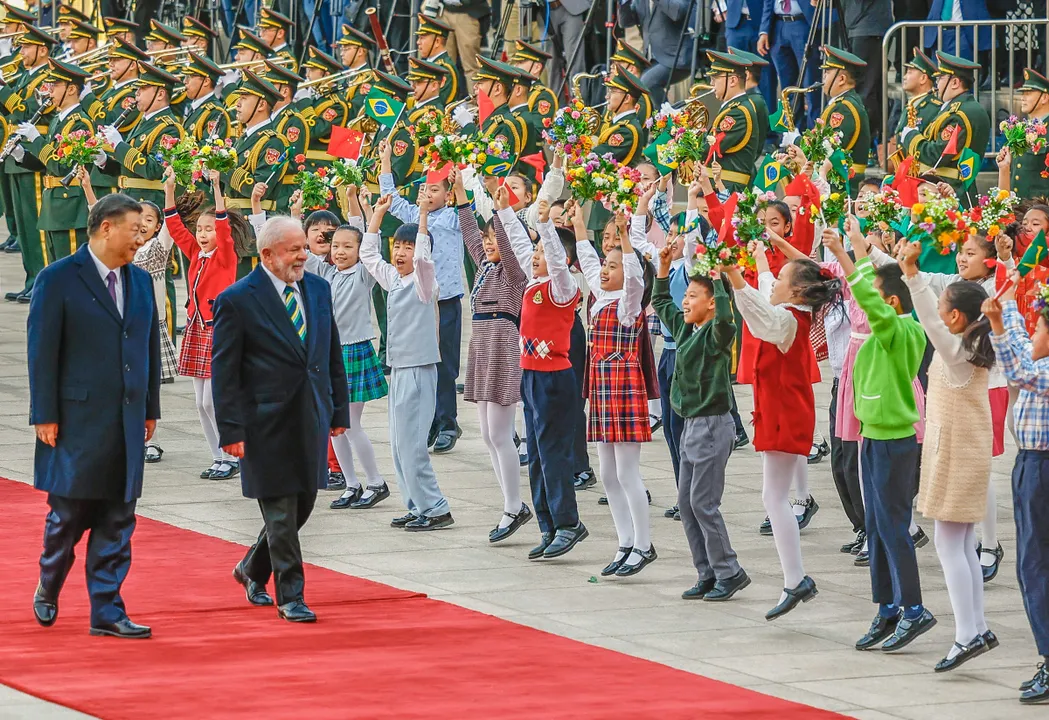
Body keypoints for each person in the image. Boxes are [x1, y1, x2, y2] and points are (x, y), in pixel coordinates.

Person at [27, 192, 160, 639]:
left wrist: (150, 407)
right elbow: (42, 351)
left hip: (127, 419)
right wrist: (44, 413)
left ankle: (107, 610)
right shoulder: (59, 278)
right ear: (106, 227)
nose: (139, 239)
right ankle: (50, 581)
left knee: (119, 518)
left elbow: (148, 347)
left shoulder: (140, 281)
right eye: (134, 230)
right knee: (68, 515)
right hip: (75, 420)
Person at [211, 216, 349, 622]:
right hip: (262, 424)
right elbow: (225, 373)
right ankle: (291, 595)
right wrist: (231, 429)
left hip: (310, 416)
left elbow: (331, 353)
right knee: (280, 512)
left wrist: (337, 410)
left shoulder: (319, 289)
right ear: (267, 254)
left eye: (304, 247)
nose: (304, 256)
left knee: (303, 504)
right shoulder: (237, 299)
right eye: (294, 250)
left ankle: (252, 568)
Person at [822, 227, 937, 653]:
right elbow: (869, 298)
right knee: (876, 528)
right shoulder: (881, 330)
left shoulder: (901, 331)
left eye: (872, 292)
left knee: (893, 528)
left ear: (890, 302)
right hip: (873, 438)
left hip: (894, 442)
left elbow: (868, 297)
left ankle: (913, 609)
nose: (862, 298)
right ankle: (887, 607)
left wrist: (844, 250)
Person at [725, 240, 840, 619]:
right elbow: (764, 300)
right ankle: (794, 578)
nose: (773, 280)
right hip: (783, 410)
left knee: (773, 498)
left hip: (785, 413)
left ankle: (796, 578)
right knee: (772, 497)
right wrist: (757, 262)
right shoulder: (789, 311)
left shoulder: (789, 319)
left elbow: (761, 312)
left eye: (780, 277)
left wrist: (735, 277)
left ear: (796, 291)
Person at [900, 242, 996, 672]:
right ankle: (976, 625)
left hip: (958, 453)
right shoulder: (969, 344)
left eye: (943, 305)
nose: (937, 311)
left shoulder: (957, 351)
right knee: (959, 544)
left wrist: (912, 276)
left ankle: (967, 634)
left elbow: (927, 320)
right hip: (961, 450)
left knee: (948, 544)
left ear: (956, 317)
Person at [654, 238, 750, 601]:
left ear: (710, 303)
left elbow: (727, 320)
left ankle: (730, 571)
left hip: (712, 425)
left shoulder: (716, 333)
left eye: (693, 296)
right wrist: (663, 269)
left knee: (703, 503)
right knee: (686, 502)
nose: (685, 301)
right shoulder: (684, 329)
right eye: (687, 295)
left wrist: (722, 280)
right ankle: (707, 571)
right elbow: (661, 302)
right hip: (691, 425)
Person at [359, 194, 454, 531]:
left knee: (413, 445)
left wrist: (424, 218)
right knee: (399, 447)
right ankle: (416, 505)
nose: (400, 253)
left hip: (418, 370)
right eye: (397, 246)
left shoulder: (425, 283)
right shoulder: (394, 280)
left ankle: (436, 507)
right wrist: (378, 214)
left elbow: (425, 262)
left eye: (407, 247)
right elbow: (368, 254)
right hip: (399, 369)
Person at [576, 204, 657, 576]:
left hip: (624, 387)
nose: (605, 270)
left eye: (613, 266)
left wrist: (625, 236)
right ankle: (624, 540)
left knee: (627, 473)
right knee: (607, 473)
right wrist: (578, 226)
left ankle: (643, 543)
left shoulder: (628, 304)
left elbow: (635, 276)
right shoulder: (601, 298)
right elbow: (587, 261)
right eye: (605, 265)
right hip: (602, 390)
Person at [458, 175, 533, 542]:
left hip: (503, 342)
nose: (488, 245)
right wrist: (461, 197)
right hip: (482, 345)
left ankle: (514, 504)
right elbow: (472, 237)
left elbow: (505, 243)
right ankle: (510, 503)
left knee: (501, 434)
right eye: (487, 240)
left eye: (494, 239)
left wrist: (501, 214)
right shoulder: (485, 267)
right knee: (487, 434)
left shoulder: (514, 274)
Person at [378, 138, 465, 455]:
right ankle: (430, 421)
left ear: (448, 194)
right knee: (425, 362)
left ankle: (448, 422)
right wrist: (386, 162)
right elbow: (393, 199)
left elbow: (467, 204)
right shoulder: (415, 215)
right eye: (425, 189)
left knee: (445, 365)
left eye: (435, 190)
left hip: (446, 301)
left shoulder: (454, 219)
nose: (428, 195)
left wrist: (461, 184)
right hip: (421, 302)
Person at [985, 279, 1049, 704]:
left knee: (1035, 565)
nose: (1034, 332)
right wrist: (1005, 310)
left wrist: (996, 323)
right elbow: (1024, 349)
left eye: (1041, 326)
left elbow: (1020, 368)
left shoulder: (1042, 369)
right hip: (1032, 465)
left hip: (1040, 468)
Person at [305, 201, 391, 512]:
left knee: (351, 424)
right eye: (336, 245)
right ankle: (352, 483)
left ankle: (376, 482)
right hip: (329, 353)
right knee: (334, 424)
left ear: (358, 250)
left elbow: (370, 247)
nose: (340, 251)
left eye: (347, 246)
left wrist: (371, 213)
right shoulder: (324, 271)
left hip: (354, 350)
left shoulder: (364, 274)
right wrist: (297, 214)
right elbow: (306, 247)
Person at [521, 199, 589, 560]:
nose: (535, 255)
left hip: (554, 379)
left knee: (553, 455)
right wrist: (502, 213)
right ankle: (546, 523)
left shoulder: (562, 290)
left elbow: (557, 263)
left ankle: (568, 523)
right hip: (530, 377)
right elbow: (520, 247)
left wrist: (547, 226)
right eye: (535, 250)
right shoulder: (531, 285)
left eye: (542, 252)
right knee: (535, 454)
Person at [0, 25, 56, 304]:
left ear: (42, 50)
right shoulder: (24, 76)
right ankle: (31, 278)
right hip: (15, 152)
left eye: (26, 47)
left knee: (36, 224)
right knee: (23, 226)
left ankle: (43, 281)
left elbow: (27, 112)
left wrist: (3, 90)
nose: (21, 52)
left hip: (33, 152)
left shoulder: (47, 79)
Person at [901, 51, 991, 202]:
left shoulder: (960, 113)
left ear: (955, 82)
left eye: (941, 78)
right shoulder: (957, 108)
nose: (937, 83)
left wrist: (911, 136)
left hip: (949, 190)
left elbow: (936, 155)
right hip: (944, 188)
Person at [618, 0, 696, 108]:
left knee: (647, 81)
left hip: (676, 57)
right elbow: (626, 22)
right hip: (652, 59)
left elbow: (677, 13)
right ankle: (655, 120)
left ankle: (666, 119)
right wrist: (624, 3)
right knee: (632, 85)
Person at [707, 50, 763, 192]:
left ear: (732, 80)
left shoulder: (737, 113)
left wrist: (679, 134)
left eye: (715, 79)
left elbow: (709, 149)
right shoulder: (735, 108)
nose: (711, 84)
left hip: (730, 188)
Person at [818, 46, 872, 194]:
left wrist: (797, 140)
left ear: (841, 79)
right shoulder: (842, 103)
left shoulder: (845, 108)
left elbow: (828, 148)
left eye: (828, 72)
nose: (824, 77)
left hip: (840, 186)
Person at [998, 68, 1049, 200]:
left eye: (1028, 93)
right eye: (1023, 93)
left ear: (1044, 97)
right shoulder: (1021, 129)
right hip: (1020, 208)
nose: (1023, 98)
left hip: (1041, 210)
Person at [437, 0, 490, 95]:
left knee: (471, 66)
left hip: (468, 11)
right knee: (443, 65)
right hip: (443, 11)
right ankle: (444, 104)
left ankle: (475, 105)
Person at [546, 0, 588, 94]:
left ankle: (578, 104)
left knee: (575, 60)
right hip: (544, 9)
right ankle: (556, 105)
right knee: (551, 63)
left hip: (572, 6)